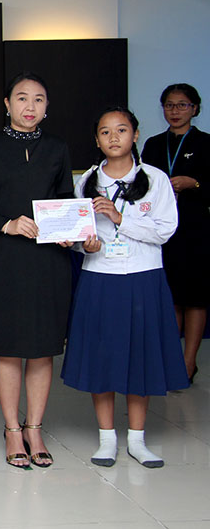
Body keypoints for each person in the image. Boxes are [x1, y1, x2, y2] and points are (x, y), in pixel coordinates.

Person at [0, 72, 73, 470]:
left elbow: (65, 201)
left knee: (42, 346)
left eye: (39, 99)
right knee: (7, 345)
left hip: (48, 260)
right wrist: (6, 224)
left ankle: (34, 428)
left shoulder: (57, 148)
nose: (30, 106)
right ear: (7, 104)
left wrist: (69, 231)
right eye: (22, 98)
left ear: (47, 106)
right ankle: (11, 429)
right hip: (2, 259)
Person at [62, 107, 188, 468]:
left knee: (140, 358)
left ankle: (137, 439)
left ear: (135, 135)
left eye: (121, 130)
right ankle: (106, 439)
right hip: (99, 277)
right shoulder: (87, 181)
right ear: (96, 140)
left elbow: (164, 230)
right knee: (101, 357)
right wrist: (83, 245)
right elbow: (78, 236)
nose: (113, 137)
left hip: (143, 277)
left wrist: (120, 218)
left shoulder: (155, 179)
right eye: (105, 132)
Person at [141, 83, 209, 383]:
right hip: (161, 231)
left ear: (195, 108)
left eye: (182, 105)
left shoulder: (206, 143)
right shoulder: (154, 144)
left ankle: (188, 362)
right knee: (170, 298)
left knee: (195, 299)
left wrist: (194, 184)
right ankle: (170, 362)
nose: (175, 111)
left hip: (195, 230)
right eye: (169, 105)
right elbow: (141, 185)